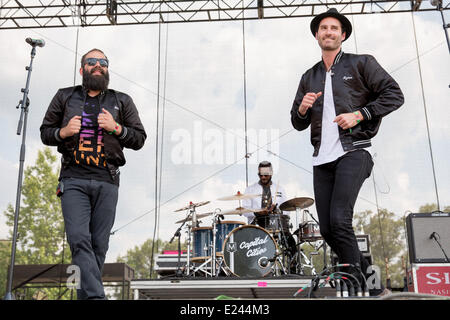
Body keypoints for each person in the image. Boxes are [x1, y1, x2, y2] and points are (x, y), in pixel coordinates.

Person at [290, 9, 404, 295]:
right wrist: (302, 109)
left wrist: (360, 114)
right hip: (322, 159)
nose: (328, 32)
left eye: (334, 28)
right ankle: (372, 283)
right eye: (323, 28)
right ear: (316, 35)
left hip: (354, 151)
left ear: (342, 35)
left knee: (341, 220)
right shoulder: (309, 76)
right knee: (329, 230)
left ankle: (359, 288)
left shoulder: (361, 63)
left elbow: (394, 94)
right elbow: (297, 122)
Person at [40, 48, 147, 299]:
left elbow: (139, 138)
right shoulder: (64, 96)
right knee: (78, 239)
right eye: (92, 62)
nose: (98, 65)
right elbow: (46, 131)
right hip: (73, 178)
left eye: (103, 62)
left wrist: (117, 128)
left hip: (107, 179)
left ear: (107, 70)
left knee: (98, 247)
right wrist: (63, 132)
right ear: (82, 70)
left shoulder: (122, 100)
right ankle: (98, 297)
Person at [242, 161, 297, 258]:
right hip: (256, 225)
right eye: (261, 175)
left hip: (276, 226)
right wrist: (257, 213)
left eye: (266, 175)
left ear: (271, 174)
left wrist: (277, 211)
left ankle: (293, 267)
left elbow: (287, 209)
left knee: (291, 243)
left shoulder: (279, 189)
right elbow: (244, 210)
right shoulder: (250, 189)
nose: (263, 177)